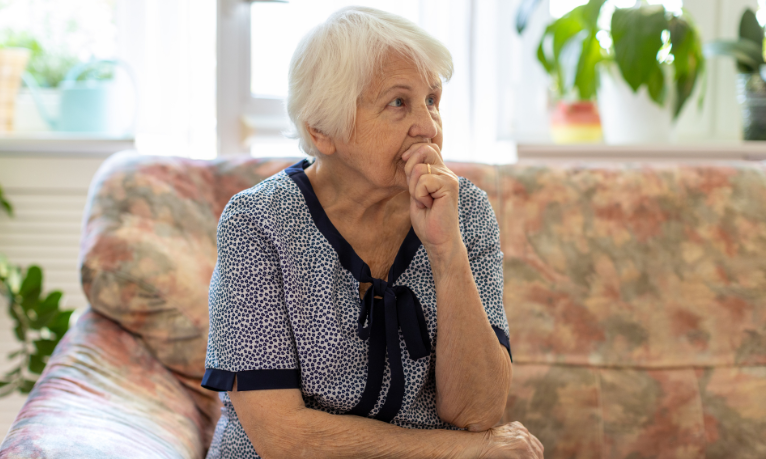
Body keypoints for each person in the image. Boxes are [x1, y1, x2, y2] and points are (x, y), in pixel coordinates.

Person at [202, 6, 543, 458]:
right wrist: (463, 452)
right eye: (399, 102)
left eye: (433, 100)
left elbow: (477, 412)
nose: (428, 127)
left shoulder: (465, 210)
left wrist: (446, 253)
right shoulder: (258, 222)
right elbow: (282, 437)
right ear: (322, 130)